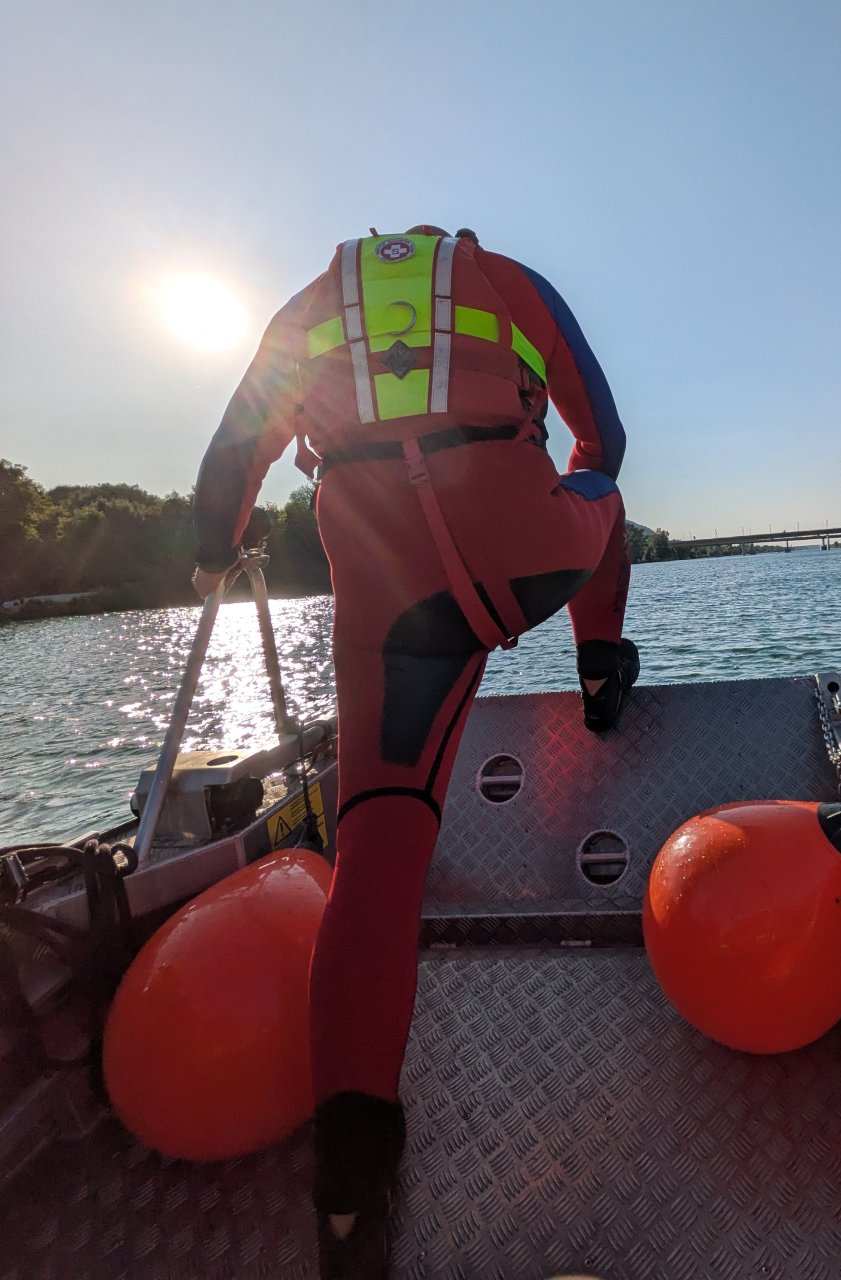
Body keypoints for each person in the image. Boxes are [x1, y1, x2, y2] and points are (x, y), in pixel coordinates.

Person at [191, 225, 638, 1278]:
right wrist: (551, 483)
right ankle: (598, 675)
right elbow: (605, 437)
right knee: (605, 499)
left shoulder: (306, 309)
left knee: (377, 865)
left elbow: (230, 458)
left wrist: (215, 553)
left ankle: (350, 1194)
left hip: (392, 598)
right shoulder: (510, 281)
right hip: (528, 552)